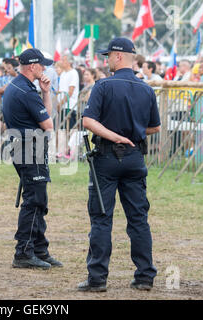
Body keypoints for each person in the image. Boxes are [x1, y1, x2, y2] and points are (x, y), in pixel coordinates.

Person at [79, 37, 160, 292]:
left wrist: (114, 136)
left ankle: (97, 279)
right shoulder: (146, 89)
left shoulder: (103, 85)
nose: (106, 60)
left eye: (108, 56)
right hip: (135, 157)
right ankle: (145, 276)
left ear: (117, 56)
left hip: (106, 157)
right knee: (138, 218)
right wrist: (133, 134)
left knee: (102, 218)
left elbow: (88, 121)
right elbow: (155, 127)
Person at [2, 48, 63, 270]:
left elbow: (45, 119)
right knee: (34, 201)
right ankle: (24, 252)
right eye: (42, 65)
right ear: (33, 66)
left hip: (26, 148)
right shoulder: (25, 91)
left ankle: (39, 250)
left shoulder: (20, 86)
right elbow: (48, 125)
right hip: (30, 149)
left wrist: (45, 92)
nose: (45, 68)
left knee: (39, 199)